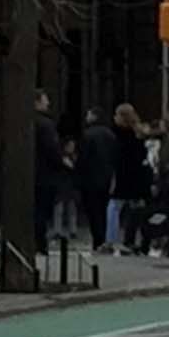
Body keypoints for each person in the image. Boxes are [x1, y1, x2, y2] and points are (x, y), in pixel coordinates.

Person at [111, 105, 154, 254]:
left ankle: (118, 241)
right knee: (138, 211)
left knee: (115, 208)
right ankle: (143, 241)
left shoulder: (122, 136)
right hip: (141, 178)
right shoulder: (139, 134)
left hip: (127, 177)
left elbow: (122, 158)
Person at [74, 108, 119, 252]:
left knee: (93, 211)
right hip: (106, 177)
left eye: (88, 114)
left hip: (90, 178)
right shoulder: (110, 135)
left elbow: (83, 158)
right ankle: (104, 239)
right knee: (103, 209)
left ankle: (97, 239)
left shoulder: (87, 135)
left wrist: (77, 174)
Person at [30, 92, 66, 245]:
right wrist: (61, 162)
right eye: (45, 101)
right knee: (42, 211)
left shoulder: (25, 122)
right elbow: (52, 150)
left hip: (31, 173)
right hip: (44, 174)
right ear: (36, 102)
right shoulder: (45, 124)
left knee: (34, 210)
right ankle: (40, 243)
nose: (48, 104)